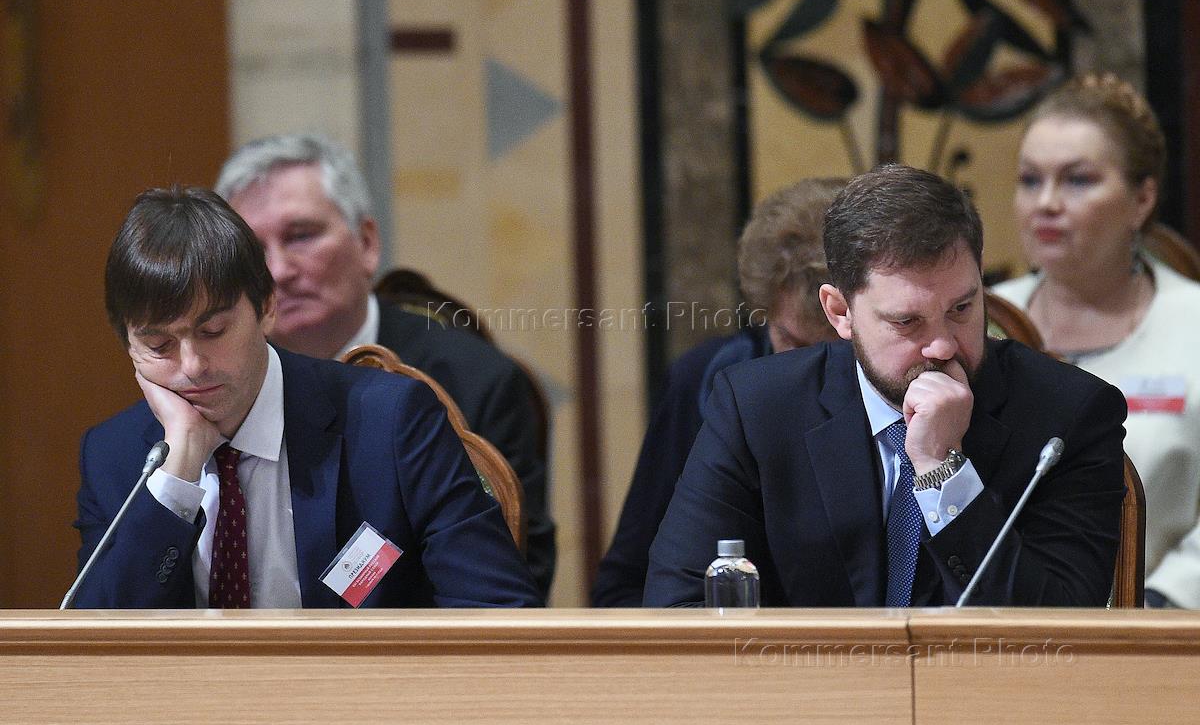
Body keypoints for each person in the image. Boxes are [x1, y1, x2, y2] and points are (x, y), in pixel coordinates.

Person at [644, 165, 1127, 608]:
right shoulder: (757, 408)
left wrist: (943, 470)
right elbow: (679, 609)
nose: (942, 346)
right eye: (906, 322)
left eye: (961, 308)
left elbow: (1061, 628)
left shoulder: (1069, 415)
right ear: (840, 312)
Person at [72, 187, 541, 609]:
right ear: (128, 345)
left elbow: (497, 608)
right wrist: (176, 476)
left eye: (213, 331)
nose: (192, 366)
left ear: (267, 307)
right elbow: (97, 649)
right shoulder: (114, 455)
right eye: (159, 346)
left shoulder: (392, 422)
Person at [214, 134, 555, 598]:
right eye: (254, 253)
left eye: (301, 236)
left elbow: (513, 573)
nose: (278, 271)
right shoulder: (216, 386)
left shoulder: (476, 383)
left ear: (367, 243)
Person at [992, 73, 1200, 608]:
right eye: (1030, 180)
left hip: (1163, 626)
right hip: (991, 625)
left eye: (1078, 180)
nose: (1046, 203)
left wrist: (1162, 601)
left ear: (1142, 198)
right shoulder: (977, 319)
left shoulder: (1193, 322)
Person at [591, 178, 843, 606]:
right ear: (764, 312)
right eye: (794, 343)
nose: (815, 369)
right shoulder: (705, 379)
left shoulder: (911, 384)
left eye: (838, 350)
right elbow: (625, 584)